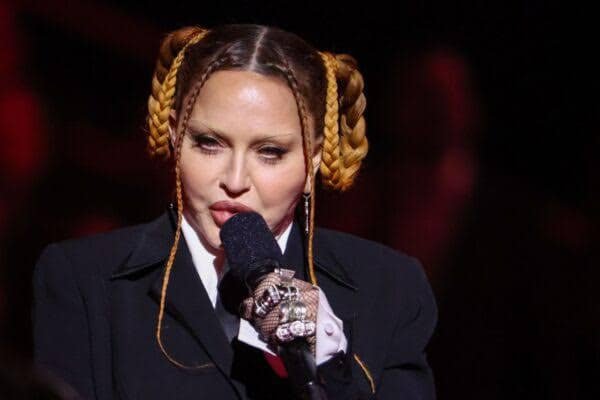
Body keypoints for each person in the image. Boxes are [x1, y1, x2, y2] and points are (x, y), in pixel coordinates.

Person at [32, 24, 437, 400]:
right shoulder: (84, 280)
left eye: (270, 152)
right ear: (175, 136)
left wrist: (329, 359)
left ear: (314, 158)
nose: (235, 179)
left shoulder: (389, 288)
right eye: (209, 143)